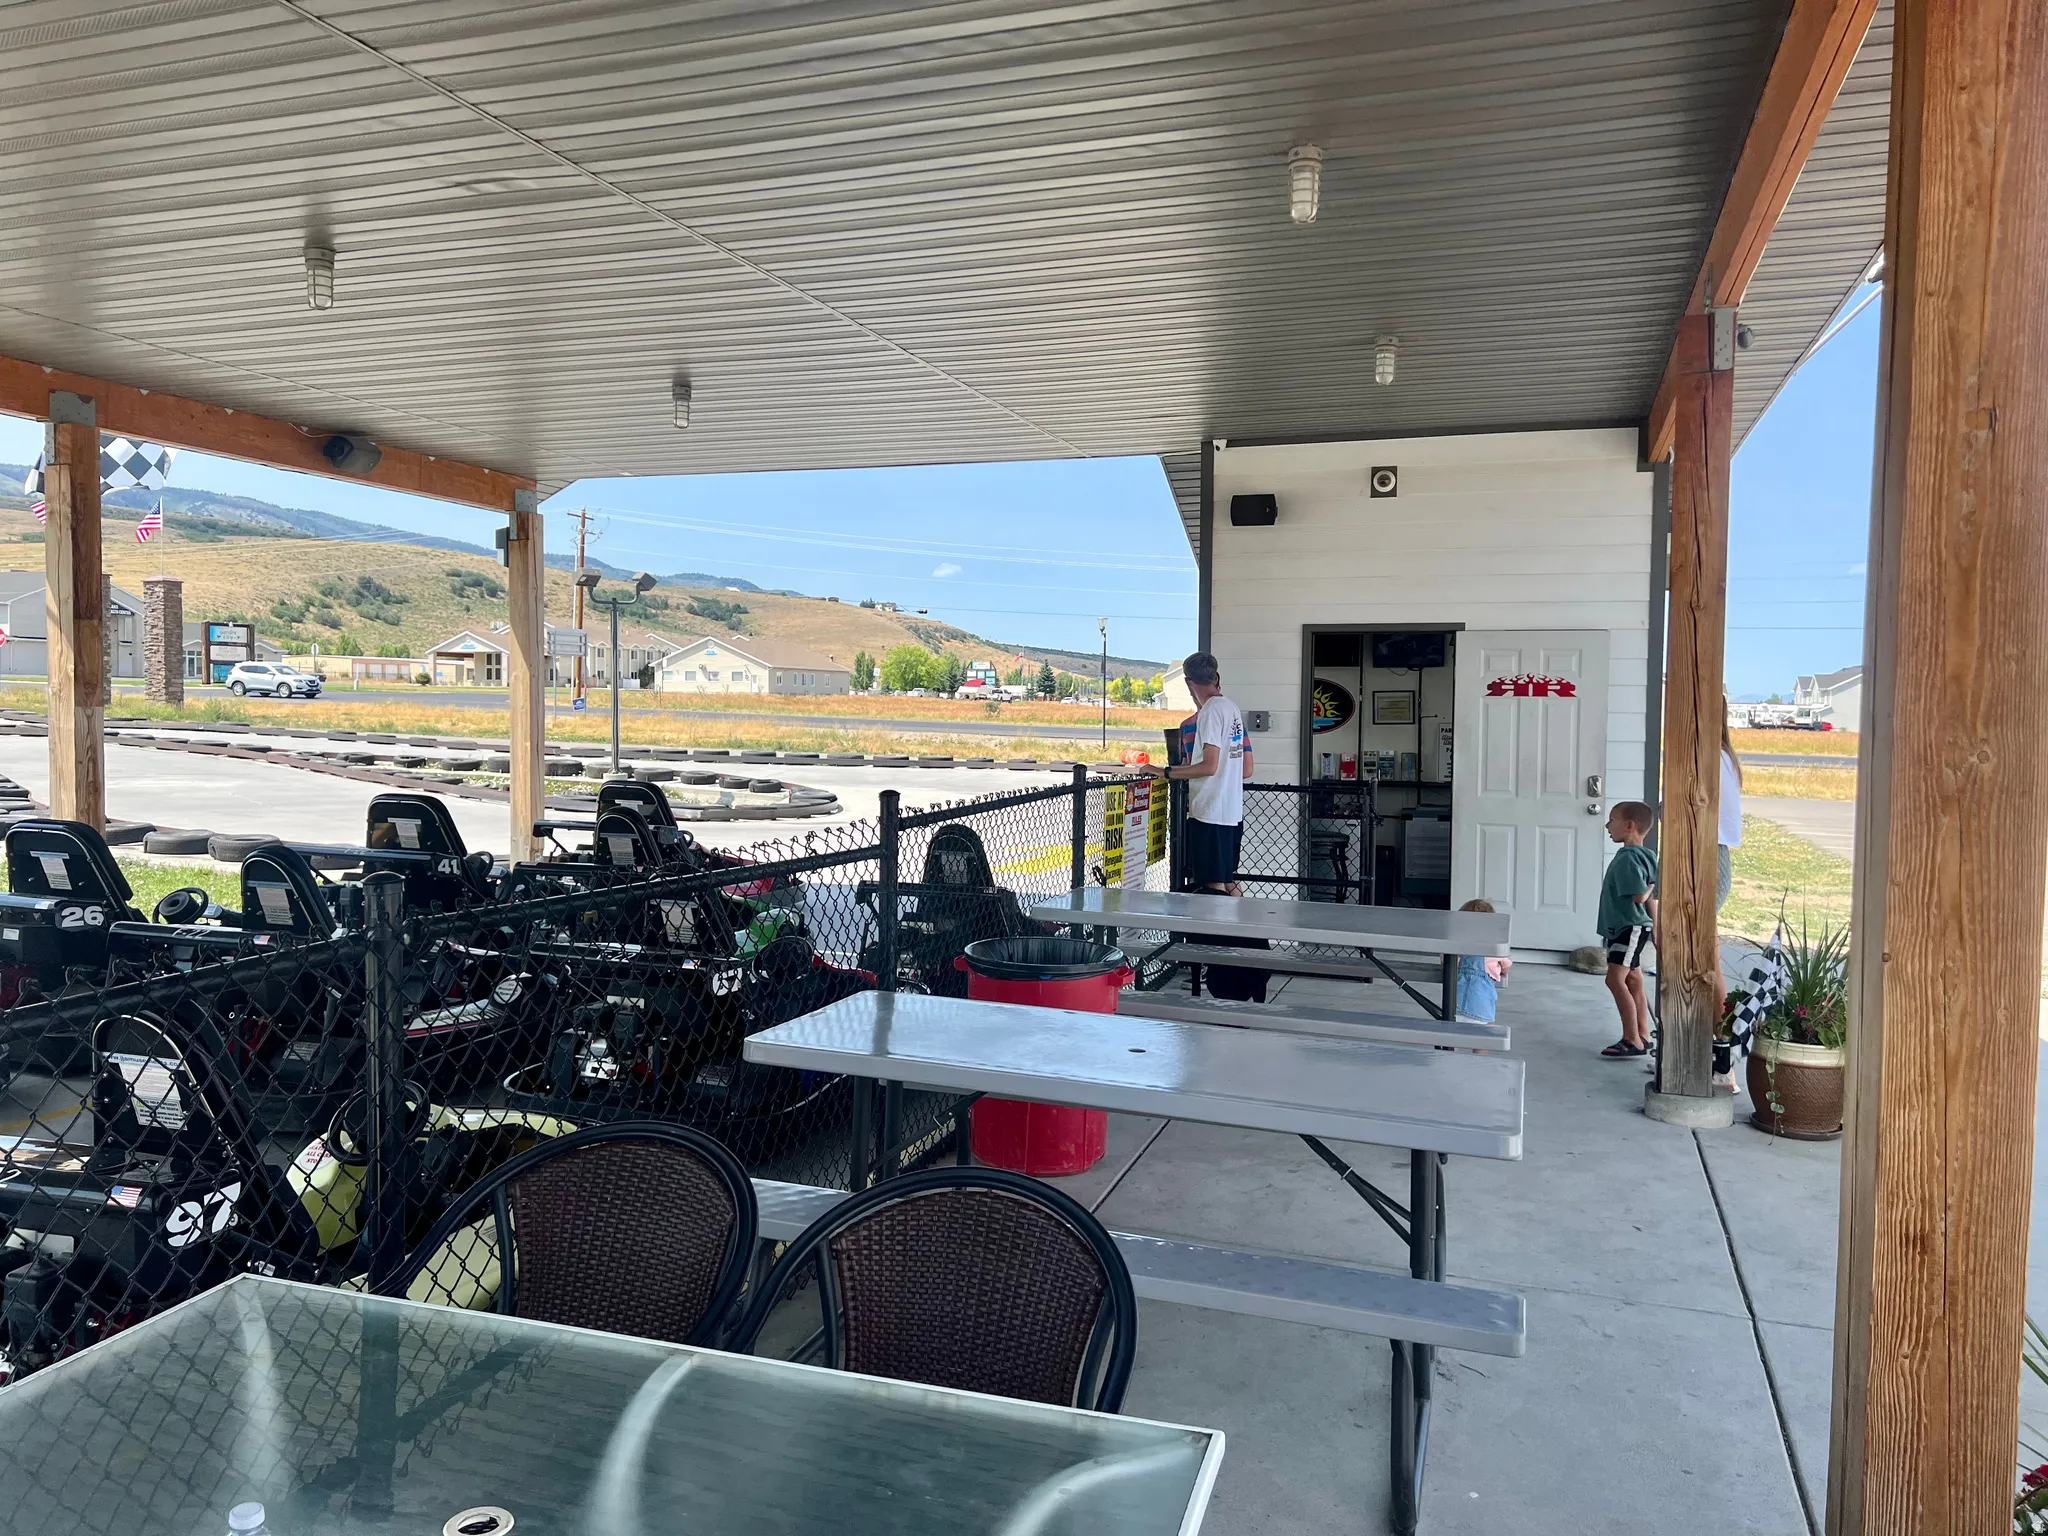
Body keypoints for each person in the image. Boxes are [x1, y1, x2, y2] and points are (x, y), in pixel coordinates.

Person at [1156, 652, 1251, 893]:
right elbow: (1244, 767)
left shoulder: (1209, 712)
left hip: (1210, 812)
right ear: (1216, 677)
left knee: (1213, 886)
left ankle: (1218, 931)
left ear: (1189, 683)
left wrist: (1165, 772)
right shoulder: (1231, 708)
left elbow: (1209, 766)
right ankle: (1243, 929)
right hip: (1231, 813)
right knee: (1228, 881)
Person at [1597, 801, 1659, 1058]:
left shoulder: (1628, 859)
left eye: (1612, 820)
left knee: (1614, 979)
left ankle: (1631, 1038)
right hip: (1630, 927)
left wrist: (1649, 889)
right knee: (1633, 978)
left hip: (1628, 927)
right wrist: (1656, 928)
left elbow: (1639, 896)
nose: (1607, 825)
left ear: (1630, 826)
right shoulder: (1647, 855)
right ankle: (1643, 1034)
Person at [1454, 898, 1511, 1025]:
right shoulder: (1494, 949)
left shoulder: (1456, 947)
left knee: (1454, 1038)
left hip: (1454, 1008)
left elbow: (1444, 963)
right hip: (1482, 1009)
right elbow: (1505, 966)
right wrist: (1502, 972)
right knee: (1486, 1035)